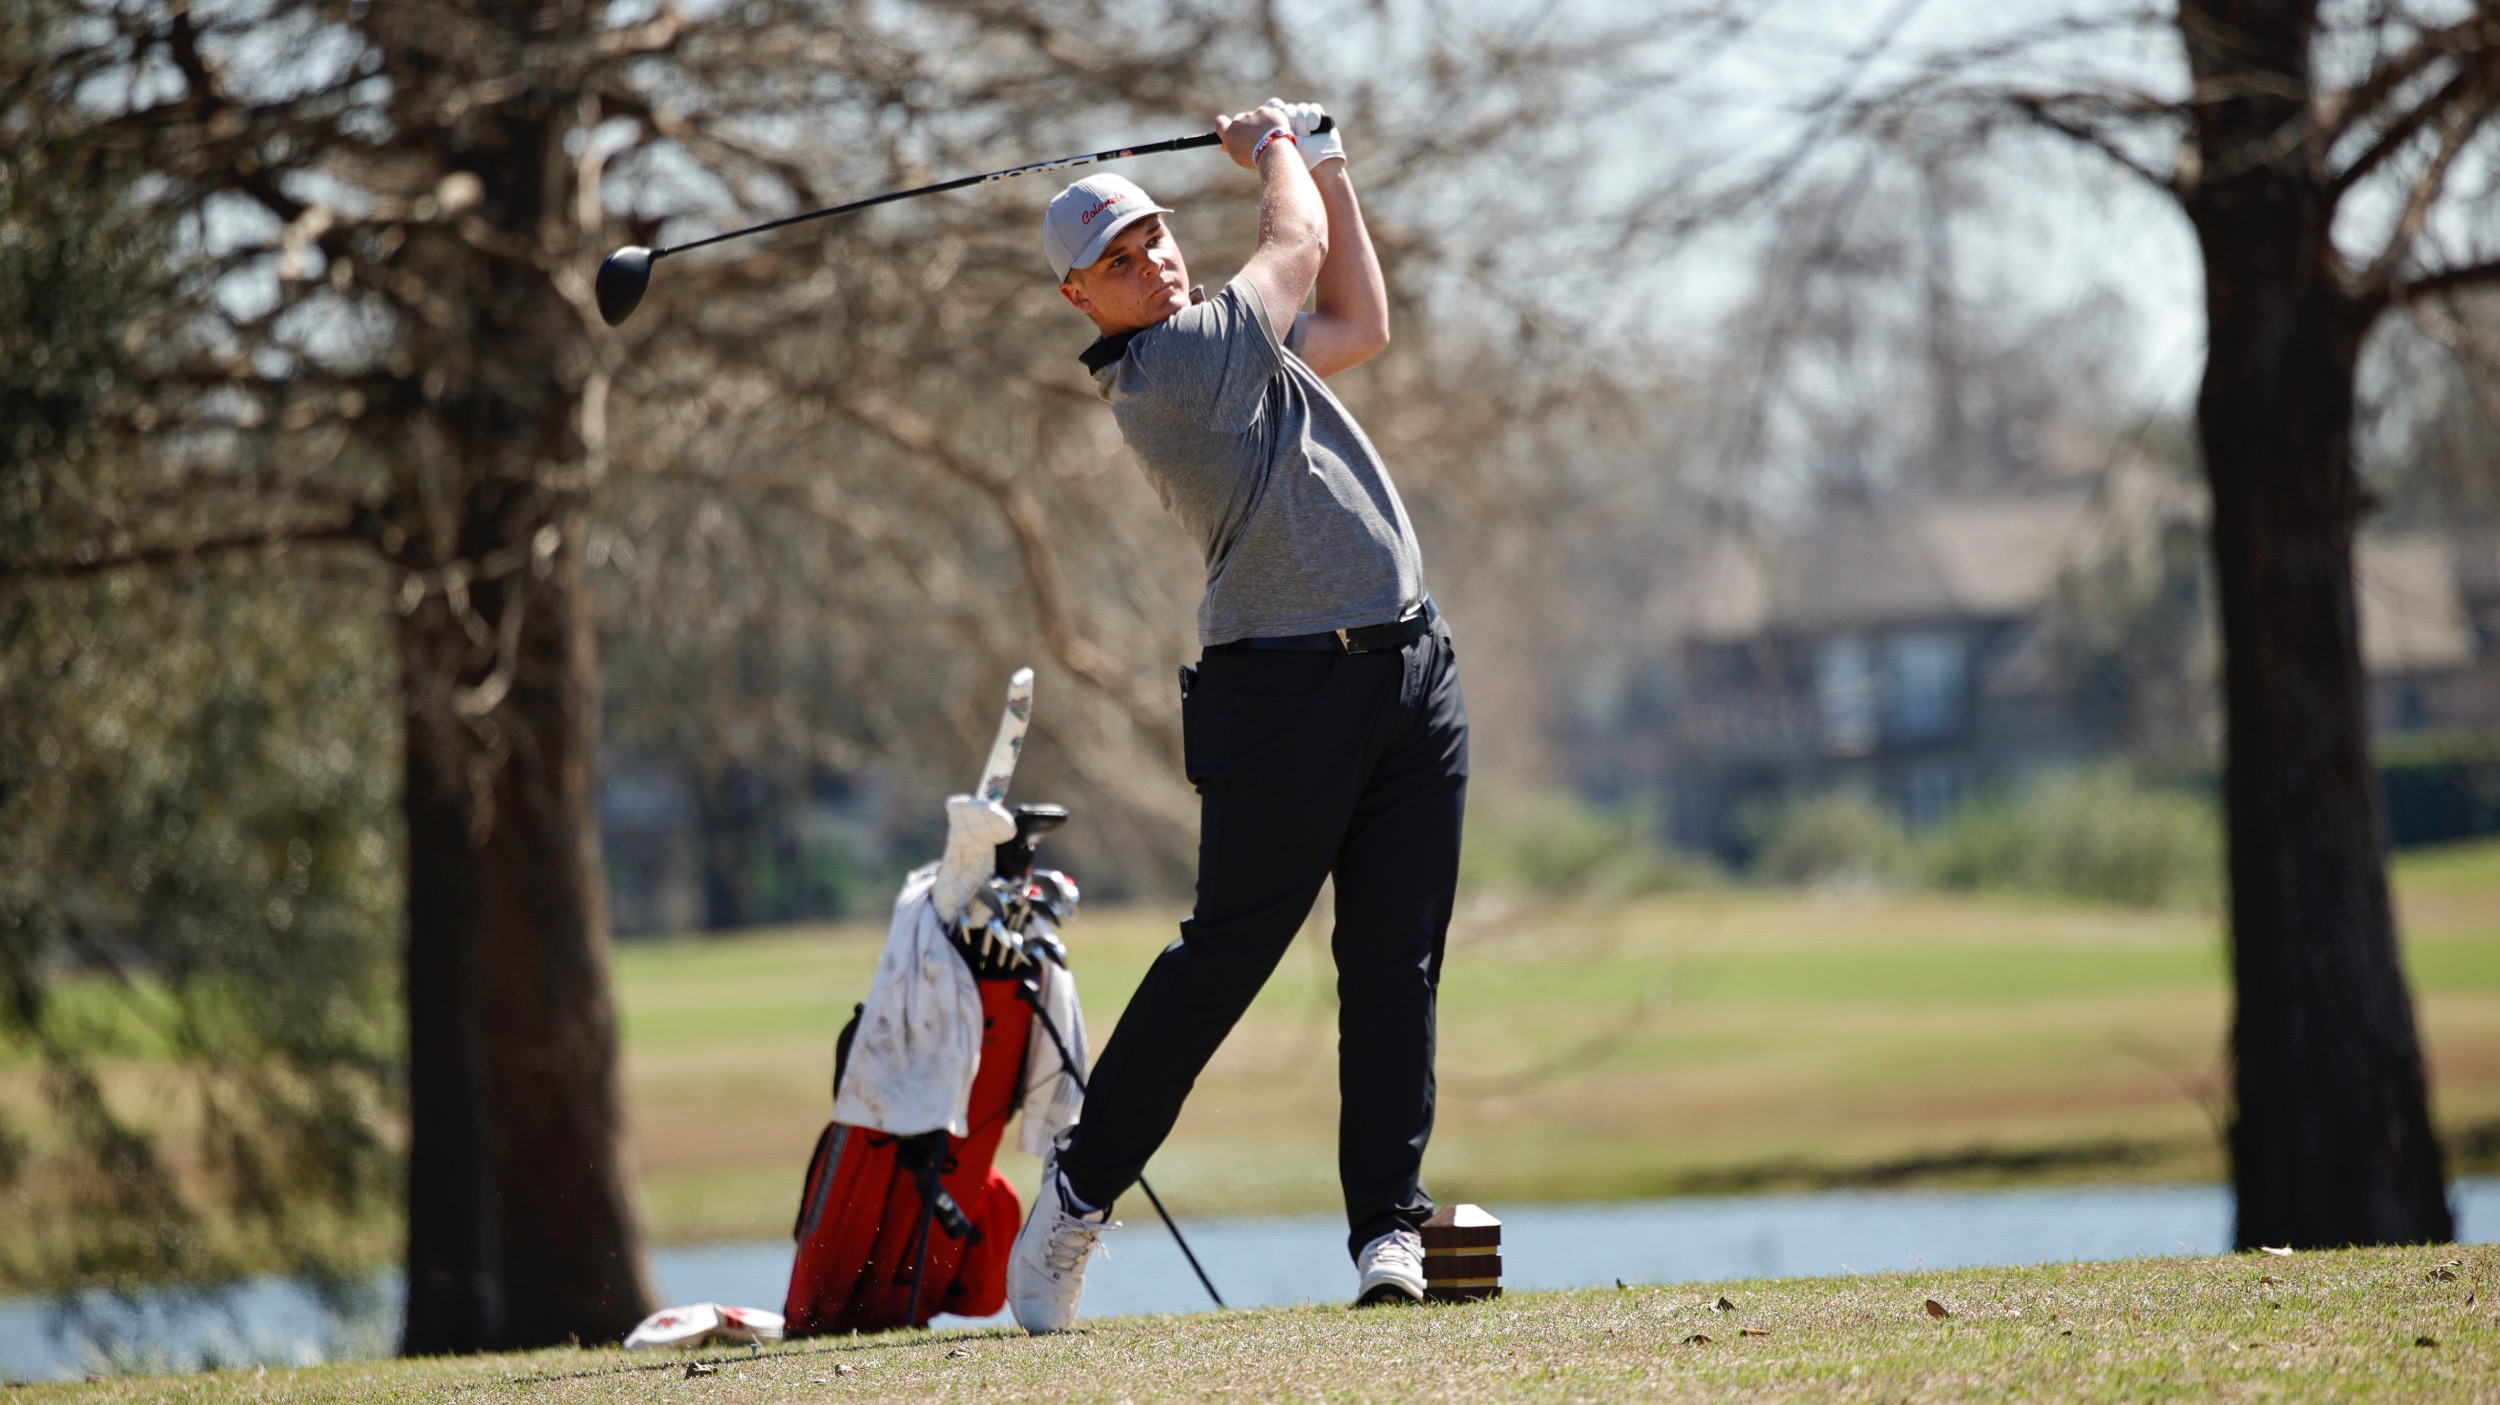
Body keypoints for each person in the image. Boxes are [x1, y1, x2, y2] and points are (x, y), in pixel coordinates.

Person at [1005, 100, 1468, 1333]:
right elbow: (1296, 254)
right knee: (1224, 962)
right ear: (1080, 301)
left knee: (1394, 963)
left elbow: (1361, 318)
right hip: (1281, 696)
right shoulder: (1177, 367)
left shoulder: (1236, 349)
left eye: (1154, 237)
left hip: (1409, 671)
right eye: (1118, 260)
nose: (1152, 258)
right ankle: (1078, 1192)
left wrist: (1328, 161)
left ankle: (1387, 1228)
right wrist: (1273, 150)